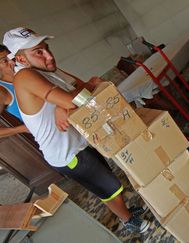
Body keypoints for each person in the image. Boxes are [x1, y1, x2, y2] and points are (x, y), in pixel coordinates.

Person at [3, 27, 149, 233]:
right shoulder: (24, 77)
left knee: (107, 182)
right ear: (20, 59)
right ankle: (127, 220)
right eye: (38, 51)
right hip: (66, 154)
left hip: (77, 142)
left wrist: (67, 104)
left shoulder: (44, 71)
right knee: (110, 187)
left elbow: (77, 93)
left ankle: (124, 213)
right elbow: (78, 97)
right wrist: (71, 100)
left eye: (46, 48)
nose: (49, 55)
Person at [0, 44, 29, 138]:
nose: (12, 62)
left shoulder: (29, 72)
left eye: (10, 56)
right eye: (5, 61)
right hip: (53, 138)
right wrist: (22, 129)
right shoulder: (3, 90)